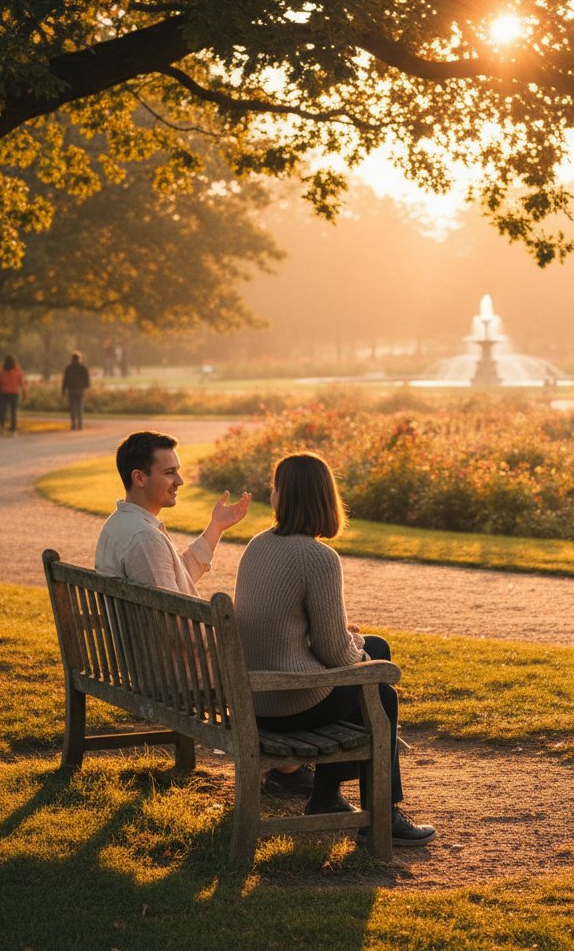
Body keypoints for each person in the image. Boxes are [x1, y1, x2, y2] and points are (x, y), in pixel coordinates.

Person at [233, 452, 436, 846]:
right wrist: (355, 645)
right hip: (287, 703)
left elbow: (290, 629)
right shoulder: (319, 558)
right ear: (325, 498)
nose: (270, 494)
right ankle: (383, 814)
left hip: (252, 697)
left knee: (377, 648)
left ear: (285, 498)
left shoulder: (258, 544)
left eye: (274, 488)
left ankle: (327, 796)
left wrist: (356, 644)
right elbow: (336, 656)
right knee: (380, 690)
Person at [95, 431, 251, 596]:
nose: (180, 481)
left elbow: (180, 576)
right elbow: (168, 616)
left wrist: (216, 526)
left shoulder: (120, 522)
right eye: (170, 472)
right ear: (139, 478)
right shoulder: (144, 538)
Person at [0, 354, 27, 435]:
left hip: (3, 393)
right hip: (14, 393)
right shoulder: (18, 371)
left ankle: (2, 428)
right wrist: (24, 392)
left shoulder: (1, 371)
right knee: (13, 412)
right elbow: (22, 383)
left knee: (3, 411)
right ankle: (13, 430)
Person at [61, 350, 90, 429]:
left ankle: (74, 424)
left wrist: (63, 390)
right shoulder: (83, 369)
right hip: (79, 390)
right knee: (79, 408)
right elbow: (87, 381)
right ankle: (79, 424)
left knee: (73, 408)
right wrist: (85, 390)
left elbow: (65, 381)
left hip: (72, 390)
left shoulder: (69, 369)